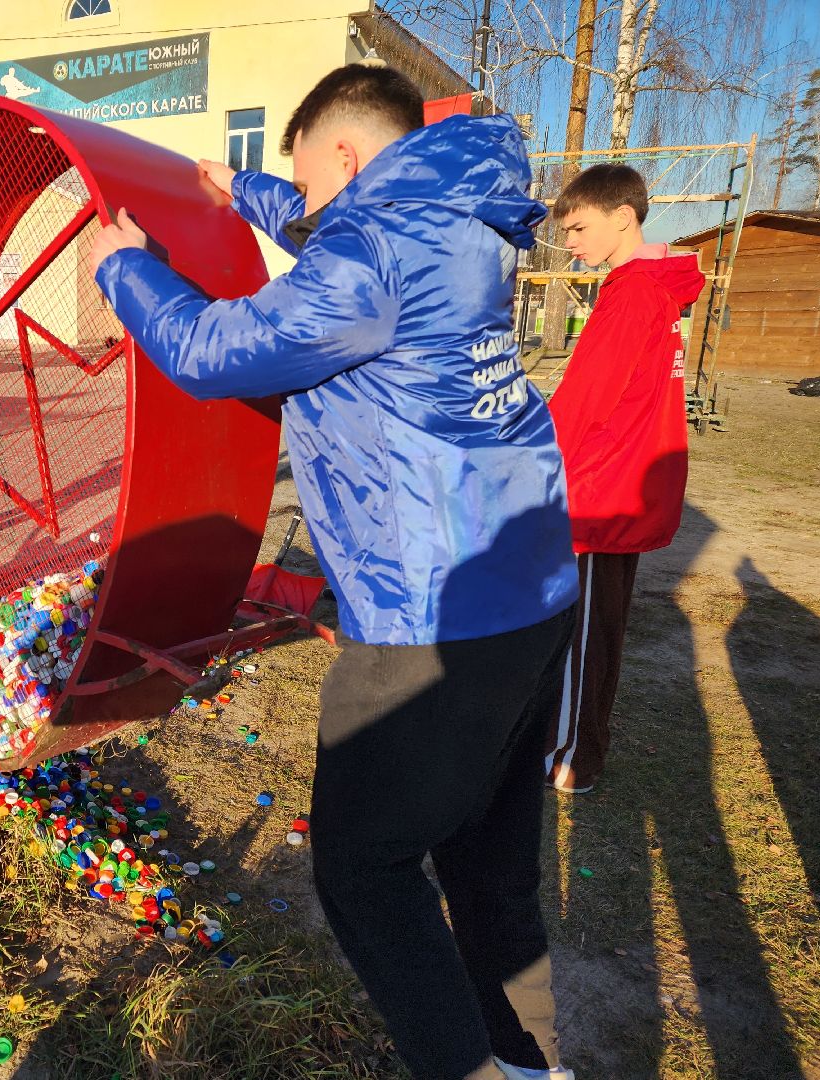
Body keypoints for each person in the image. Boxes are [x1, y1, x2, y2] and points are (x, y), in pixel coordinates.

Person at [89, 65, 580, 1080]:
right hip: (531, 588)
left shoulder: (372, 246)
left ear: (347, 157)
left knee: (364, 866)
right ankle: (529, 1063)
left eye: (302, 180)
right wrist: (249, 192)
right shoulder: (452, 213)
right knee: (489, 864)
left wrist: (124, 269)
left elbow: (214, 350)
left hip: (431, 613)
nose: (303, 203)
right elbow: (335, 234)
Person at [543, 165, 705, 794]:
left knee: (584, 636)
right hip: (622, 485)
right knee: (600, 628)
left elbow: (585, 401)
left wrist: (530, 465)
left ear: (623, 217)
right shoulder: (655, 290)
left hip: (597, 492)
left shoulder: (632, 292)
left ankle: (573, 758)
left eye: (580, 228)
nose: (572, 243)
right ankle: (579, 748)